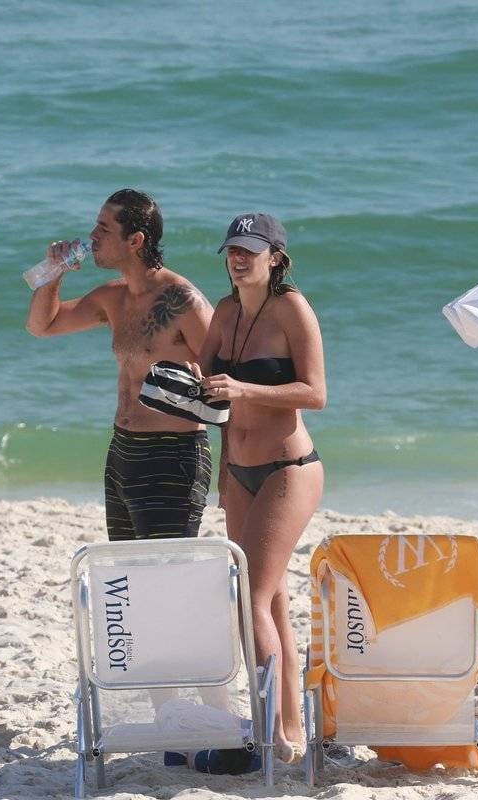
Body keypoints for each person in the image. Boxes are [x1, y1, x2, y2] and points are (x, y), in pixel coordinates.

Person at [190, 213, 326, 764]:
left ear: (276, 256)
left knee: (250, 600)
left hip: (287, 469)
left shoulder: (293, 309)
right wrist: (222, 473)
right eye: (232, 250)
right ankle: (290, 731)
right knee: (270, 599)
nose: (238, 258)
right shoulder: (224, 312)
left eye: (250, 250)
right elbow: (210, 400)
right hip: (239, 471)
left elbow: (316, 393)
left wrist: (243, 388)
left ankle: (270, 736)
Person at [25, 189, 214, 541]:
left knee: (164, 575)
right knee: (128, 571)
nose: (92, 235)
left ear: (135, 240)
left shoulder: (183, 301)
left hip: (173, 455)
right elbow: (42, 325)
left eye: (104, 227)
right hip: (123, 451)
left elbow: (227, 379)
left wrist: (234, 467)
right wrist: (55, 272)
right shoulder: (114, 297)